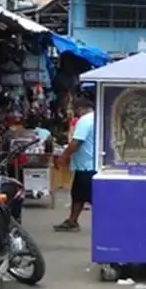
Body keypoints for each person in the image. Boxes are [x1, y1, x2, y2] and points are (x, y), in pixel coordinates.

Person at [54, 98, 95, 232]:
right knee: (78, 195)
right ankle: (72, 220)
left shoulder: (84, 120)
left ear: (79, 108)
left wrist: (64, 156)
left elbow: (76, 142)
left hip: (86, 165)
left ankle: (109, 221)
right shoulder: (96, 118)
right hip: (89, 163)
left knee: (88, 195)